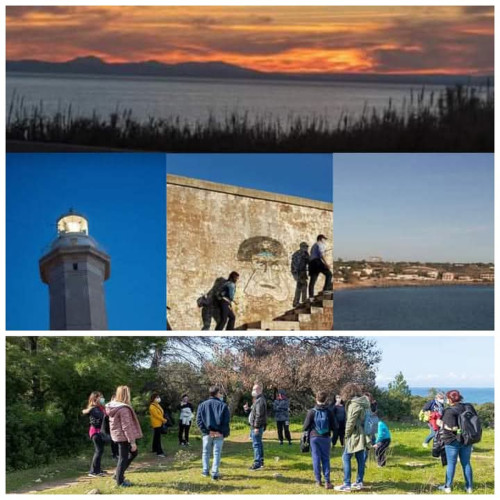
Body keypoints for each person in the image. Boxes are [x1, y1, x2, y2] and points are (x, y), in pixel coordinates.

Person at [437, 390, 477, 494]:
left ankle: (447, 487)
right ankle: (469, 488)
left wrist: (440, 423)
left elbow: (452, 428)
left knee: (451, 464)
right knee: (466, 463)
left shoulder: (449, 411)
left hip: (452, 441)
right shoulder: (468, 407)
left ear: (450, 399)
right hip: (467, 439)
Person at [334, 383, 370, 492]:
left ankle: (347, 484)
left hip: (354, 434)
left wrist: (346, 435)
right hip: (363, 433)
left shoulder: (354, 404)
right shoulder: (364, 402)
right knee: (360, 459)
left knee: (346, 457)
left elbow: (351, 422)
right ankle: (359, 482)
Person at [107, 385, 143, 488]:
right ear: (126, 395)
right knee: (123, 458)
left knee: (133, 453)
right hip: (123, 437)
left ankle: (118, 474)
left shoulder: (113, 406)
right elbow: (126, 427)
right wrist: (132, 442)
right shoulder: (123, 409)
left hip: (118, 436)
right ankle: (120, 481)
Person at [302, 390, 337, 489]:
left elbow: (305, 427)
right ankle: (327, 482)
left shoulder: (311, 412)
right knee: (326, 459)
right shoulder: (329, 412)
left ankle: (318, 481)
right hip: (325, 437)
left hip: (314, 437)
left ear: (316, 399)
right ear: (326, 400)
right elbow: (335, 427)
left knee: (316, 459)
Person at [196, 385, 230, 480]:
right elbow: (226, 421)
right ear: (217, 393)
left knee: (206, 452)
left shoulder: (202, 405)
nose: (221, 394)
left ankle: (205, 471)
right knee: (216, 453)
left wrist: (207, 431)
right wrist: (221, 432)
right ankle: (214, 473)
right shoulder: (223, 405)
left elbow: (199, 421)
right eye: (220, 392)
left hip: (207, 434)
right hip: (218, 433)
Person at [82, 391, 108, 477]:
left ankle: (98, 469)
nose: (102, 399)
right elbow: (103, 416)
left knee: (100, 451)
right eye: (100, 397)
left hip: (100, 432)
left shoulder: (100, 408)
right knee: (98, 451)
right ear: (95, 399)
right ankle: (93, 471)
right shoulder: (94, 409)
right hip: (95, 432)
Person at [244, 383, 267, 470]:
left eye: (255, 389)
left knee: (256, 445)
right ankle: (260, 461)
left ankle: (257, 463)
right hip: (255, 425)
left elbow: (259, 415)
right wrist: (247, 409)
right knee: (258, 444)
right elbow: (254, 412)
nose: (253, 391)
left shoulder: (260, 400)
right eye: (253, 389)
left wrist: (256, 427)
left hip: (256, 426)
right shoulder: (258, 400)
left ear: (260, 390)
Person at [291, 242, 309, 307]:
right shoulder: (301, 254)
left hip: (300, 272)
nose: (307, 248)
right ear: (302, 247)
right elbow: (296, 264)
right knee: (302, 285)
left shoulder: (299, 253)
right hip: (299, 272)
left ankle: (296, 302)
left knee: (300, 286)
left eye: (307, 247)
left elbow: (308, 261)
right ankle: (302, 301)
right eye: (306, 247)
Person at [149, 392, 167, 457]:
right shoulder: (152, 406)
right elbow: (156, 415)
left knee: (156, 437)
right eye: (157, 397)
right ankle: (159, 452)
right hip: (156, 423)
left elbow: (161, 413)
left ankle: (154, 449)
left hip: (160, 423)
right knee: (158, 438)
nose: (158, 398)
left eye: (158, 397)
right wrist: (163, 420)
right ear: (153, 398)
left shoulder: (157, 405)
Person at [109, 393, 119, 460]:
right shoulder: (109, 406)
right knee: (113, 441)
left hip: (118, 426)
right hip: (112, 426)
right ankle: (114, 454)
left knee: (118, 441)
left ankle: (118, 454)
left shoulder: (119, 406)